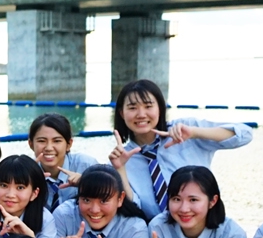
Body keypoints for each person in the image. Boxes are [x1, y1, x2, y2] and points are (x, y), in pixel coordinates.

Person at [108, 79, 253, 219]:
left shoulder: (186, 129)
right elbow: (134, 208)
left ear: (160, 107)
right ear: (122, 113)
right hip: (160, 234)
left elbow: (245, 134)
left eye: (148, 106)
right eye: (132, 108)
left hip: (204, 226)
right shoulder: (121, 159)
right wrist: (120, 169)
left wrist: (195, 133)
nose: (141, 114)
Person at [28, 114, 98, 212]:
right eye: (41, 141)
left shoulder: (87, 165)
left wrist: (86, 183)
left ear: (69, 144)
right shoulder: (25, 172)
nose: (48, 148)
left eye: (56, 141)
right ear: (31, 144)